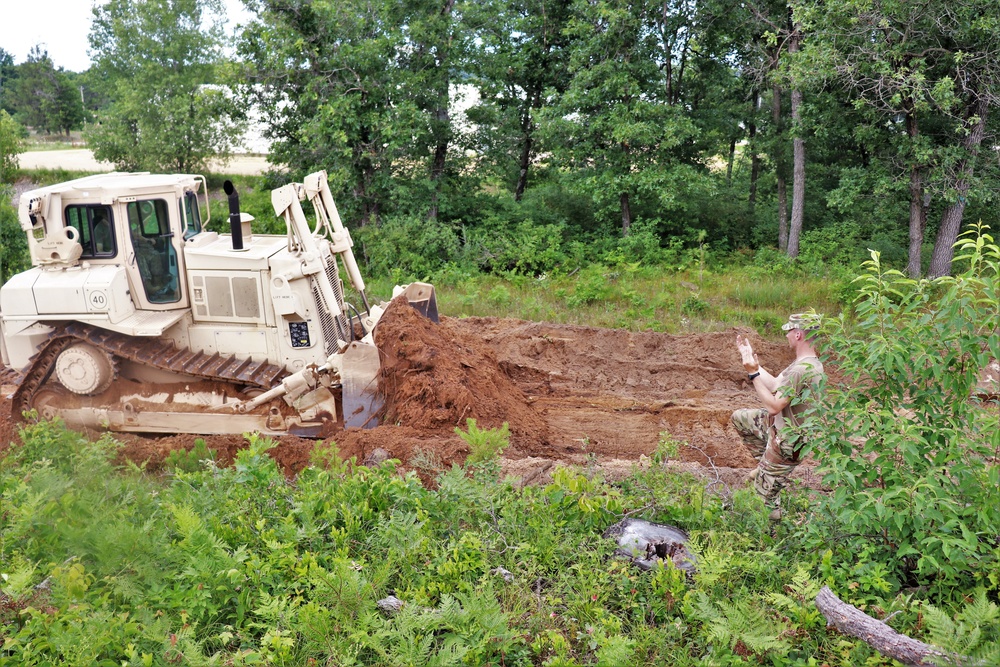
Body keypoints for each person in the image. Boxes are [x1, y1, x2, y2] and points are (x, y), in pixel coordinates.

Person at [731, 313, 825, 519]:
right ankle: (766, 470)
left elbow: (774, 405)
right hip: (780, 430)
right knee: (741, 418)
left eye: (789, 331)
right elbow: (774, 384)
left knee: (761, 503)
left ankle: (771, 531)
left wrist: (753, 375)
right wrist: (750, 363)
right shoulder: (805, 363)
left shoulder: (802, 370)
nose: (787, 336)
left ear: (798, 334)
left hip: (788, 444)